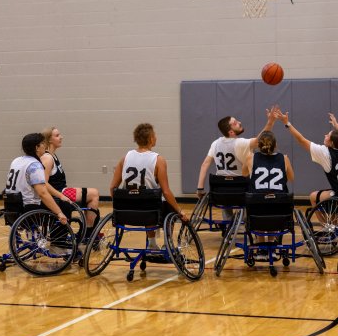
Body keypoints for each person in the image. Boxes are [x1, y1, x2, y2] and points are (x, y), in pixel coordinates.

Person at [110, 122, 188, 250]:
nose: (156, 137)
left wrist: (121, 203)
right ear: (151, 139)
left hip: (126, 212)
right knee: (169, 206)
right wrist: (180, 211)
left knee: (146, 200)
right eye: (155, 135)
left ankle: (152, 242)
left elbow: (112, 188)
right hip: (149, 212)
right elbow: (166, 192)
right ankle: (167, 244)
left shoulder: (125, 158)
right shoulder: (158, 160)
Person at [196, 107, 277, 220]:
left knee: (223, 182)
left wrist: (200, 188)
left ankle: (228, 224)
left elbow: (205, 164)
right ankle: (241, 221)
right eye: (235, 123)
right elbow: (261, 139)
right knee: (250, 184)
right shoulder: (240, 143)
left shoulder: (215, 143)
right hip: (241, 191)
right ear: (231, 132)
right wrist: (270, 122)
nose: (239, 122)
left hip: (220, 193)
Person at [275, 110, 338, 207]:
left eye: (328, 135)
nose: (325, 135)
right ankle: (332, 220)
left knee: (313, 197)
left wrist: (287, 123)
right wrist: (336, 125)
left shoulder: (325, 153)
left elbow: (301, 140)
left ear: (332, 143)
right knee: (331, 198)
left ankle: (326, 222)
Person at [242, 131, 294, 260]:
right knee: (274, 203)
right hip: (279, 210)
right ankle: (272, 245)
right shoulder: (284, 158)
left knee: (258, 202)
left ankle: (261, 247)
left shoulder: (250, 158)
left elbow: (244, 174)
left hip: (257, 210)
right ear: (275, 145)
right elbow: (291, 178)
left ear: (259, 145)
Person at [41, 127, 100, 237]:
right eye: (57, 135)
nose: (61, 137)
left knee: (92, 196)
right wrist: (59, 194)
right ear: (49, 139)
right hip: (58, 193)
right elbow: (43, 183)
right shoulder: (47, 158)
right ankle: (88, 233)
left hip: (62, 190)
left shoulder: (53, 156)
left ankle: (89, 230)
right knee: (94, 193)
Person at [5, 133, 68, 224]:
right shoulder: (35, 165)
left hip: (10, 205)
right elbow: (42, 193)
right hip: (28, 207)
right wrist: (59, 212)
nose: (45, 145)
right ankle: (59, 235)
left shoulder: (16, 160)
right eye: (42, 143)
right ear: (37, 148)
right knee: (63, 205)